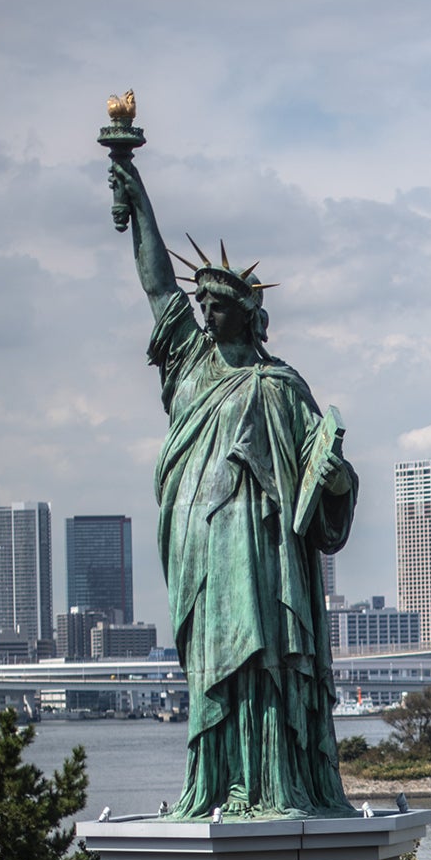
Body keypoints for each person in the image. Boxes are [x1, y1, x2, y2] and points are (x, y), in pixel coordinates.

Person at [108, 151, 356, 821]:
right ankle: (219, 784)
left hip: (268, 548)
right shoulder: (188, 363)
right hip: (203, 539)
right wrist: (139, 202)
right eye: (204, 305)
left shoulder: (283, 385)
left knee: (269, 656)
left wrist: (335, 480)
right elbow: (158, 286)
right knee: (215, 655)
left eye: (219, 306)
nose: (207, 314)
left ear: (248, 314)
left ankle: (276, 784)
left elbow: (322, 471)